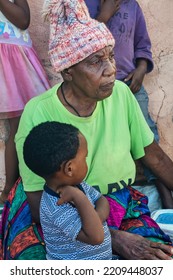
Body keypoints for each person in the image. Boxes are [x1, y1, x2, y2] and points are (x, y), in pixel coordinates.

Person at [1, 0, 173, 260]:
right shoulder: (38, 112)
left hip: (116, 203)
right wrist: (112, 238)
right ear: (68, 72)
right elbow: (37, 203)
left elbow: (155, 157)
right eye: (96, 61)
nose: (111, 70)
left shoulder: (122, 95)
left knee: (159, 259)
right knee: (30, 259)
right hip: (57, 212)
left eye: (111, 57)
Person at [84, 0, 173, 209]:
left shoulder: (132, 6)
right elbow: (83, 45)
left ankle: (163, 189)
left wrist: (141, 69)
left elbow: (143, 45)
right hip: (96, 88)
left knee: (148, 137)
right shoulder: (84, 5)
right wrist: (103, 17)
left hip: (130, 84)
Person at [23, 121, 112, 260]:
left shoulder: (79, 184)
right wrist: (80, 198)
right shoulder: (55, 206)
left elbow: (102, 200)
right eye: (85, 158)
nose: (86, 161)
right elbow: (96, 237)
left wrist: (96, 218)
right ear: (69, 168)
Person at [0, 0, 50, 204]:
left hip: (18, 58)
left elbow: (23, 20)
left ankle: (28, 187)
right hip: (4, 59)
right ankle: (8, 191)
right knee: (16, 129)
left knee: (26, 124)